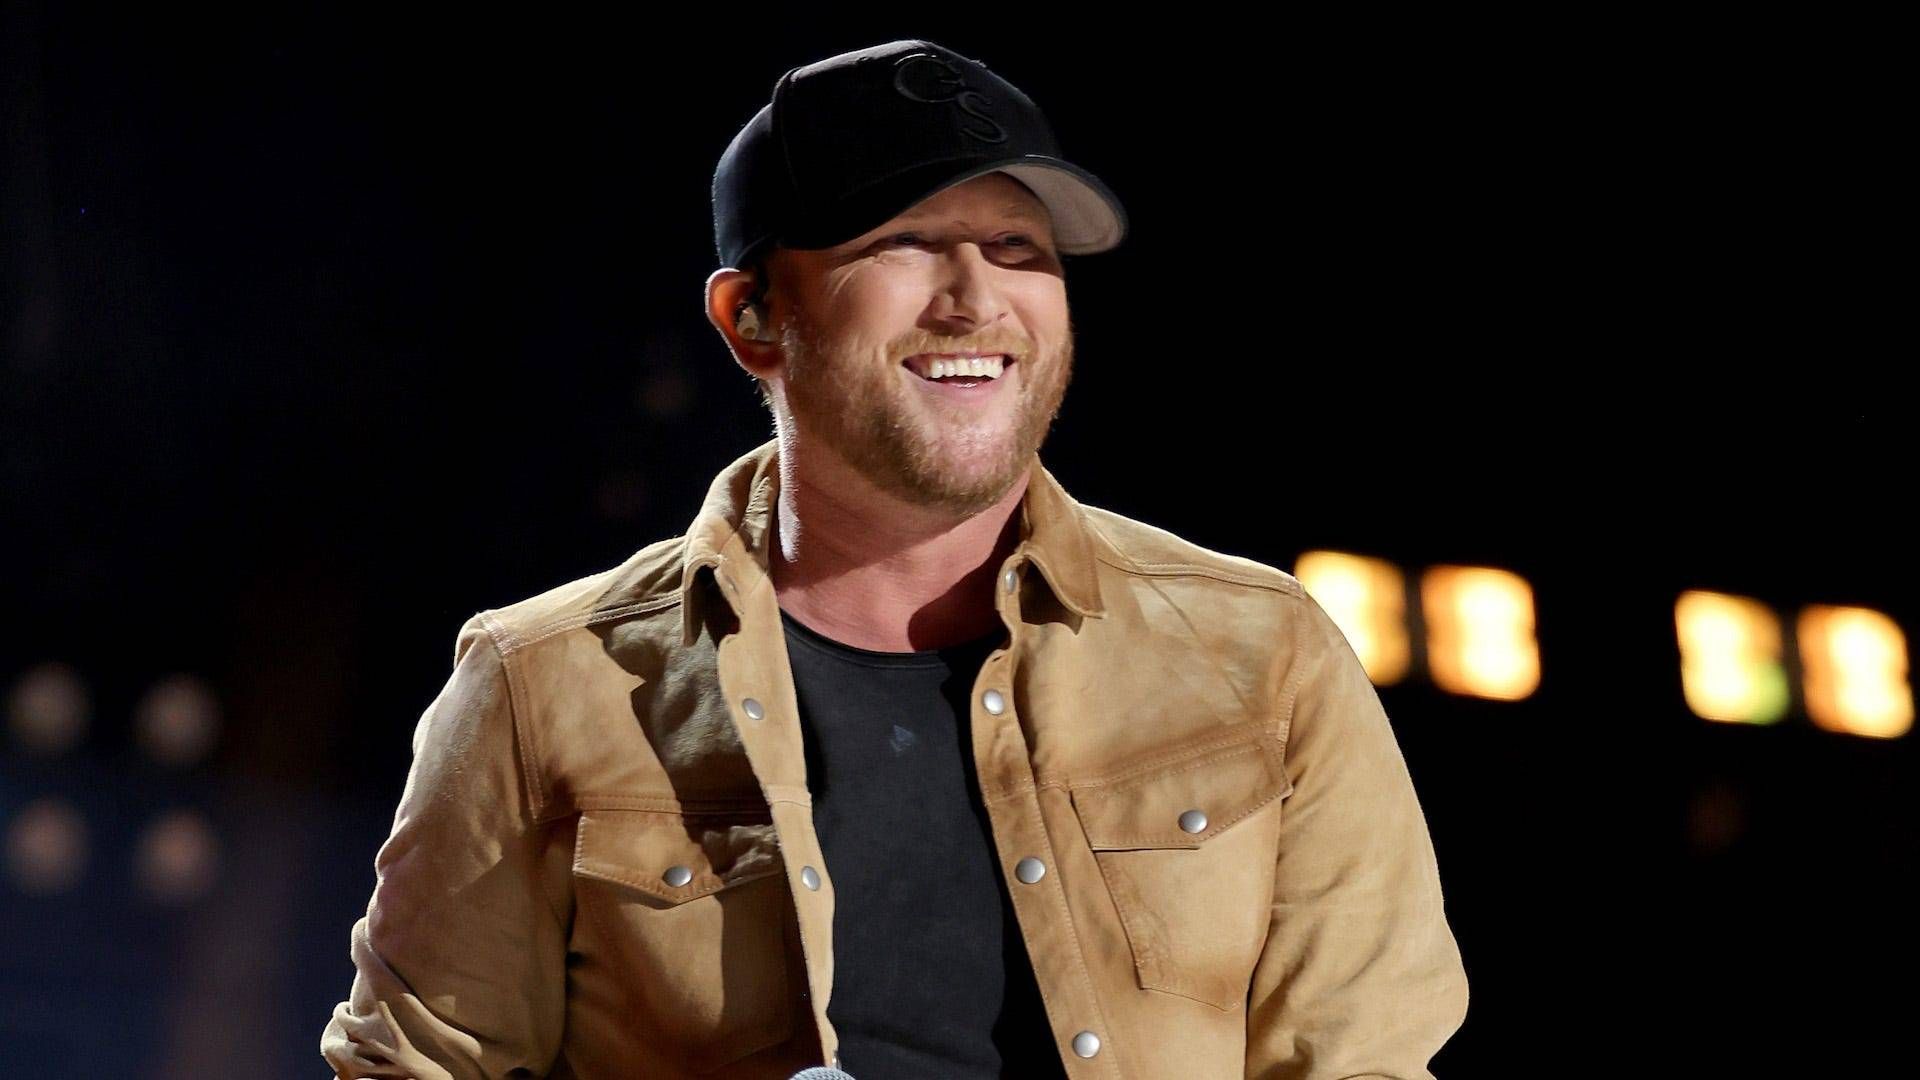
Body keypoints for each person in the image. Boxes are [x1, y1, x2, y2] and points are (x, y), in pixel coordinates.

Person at [320, 38, 1468, 1080]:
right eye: (904, 243)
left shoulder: (1265, 655)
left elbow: (1362, 1060)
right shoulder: (540, 686)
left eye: (1016, 247)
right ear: (751, 317)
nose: (976, 299)